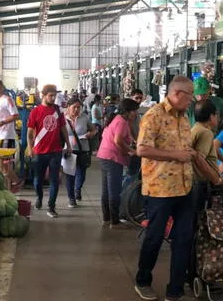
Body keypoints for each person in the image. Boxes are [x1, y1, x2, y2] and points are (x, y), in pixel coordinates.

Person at [134, 76, 218, 301]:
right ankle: (143, 280)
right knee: (154, 237)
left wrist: (193, 158)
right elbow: (141, 149)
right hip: (160, 190)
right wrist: (176, 156)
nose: (193, 100)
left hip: (185, 188)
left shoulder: (183, 119)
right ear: (177, 93)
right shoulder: (154, 116)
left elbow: (185, 149)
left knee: (184, 239)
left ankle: (176, 289)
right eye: (190, 95)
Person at [26, 84, 72, 218]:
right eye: (50, 95)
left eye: (54, 96)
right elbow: (29, 133)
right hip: (39, 152)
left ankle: (51, 207)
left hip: (56, 152)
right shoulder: (35, 112)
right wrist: (30, 148)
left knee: (54, 180)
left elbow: (63, 129)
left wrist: (68, 145)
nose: (53, 98)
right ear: (43, 95)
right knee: (37, 181)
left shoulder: (58, 111)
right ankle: (39, 198)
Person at [96, 98, 139, 228]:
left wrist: (134, 142)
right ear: (127, 111)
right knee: (114, 189)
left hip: (103, 156)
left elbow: (126, 138)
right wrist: (131, 151)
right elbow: (118, 141)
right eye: (134, 111)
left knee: (106, 189)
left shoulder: (116, 119)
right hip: (112, 158)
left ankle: (107, 218)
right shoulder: (122, 122)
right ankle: (115, 221)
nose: (135, 114)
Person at [62, 97, 96, 206]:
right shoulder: (62, 119)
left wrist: (91, 133)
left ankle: (78, 189)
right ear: (68, 107)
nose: (76, 109)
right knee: (69, 174)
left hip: (82, 149)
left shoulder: (84, 118)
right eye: (74, 107)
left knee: (81, 173)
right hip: (68, 150)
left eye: (78, 107)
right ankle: (71, 198)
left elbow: (93, 129)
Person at [0, 80, 21, 191]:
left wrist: (1, 123)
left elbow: (15, 115)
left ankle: (16, 182)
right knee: (0, 165)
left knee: (6, 165)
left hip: (7, 136)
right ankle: (7, 187)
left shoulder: (7, 100)